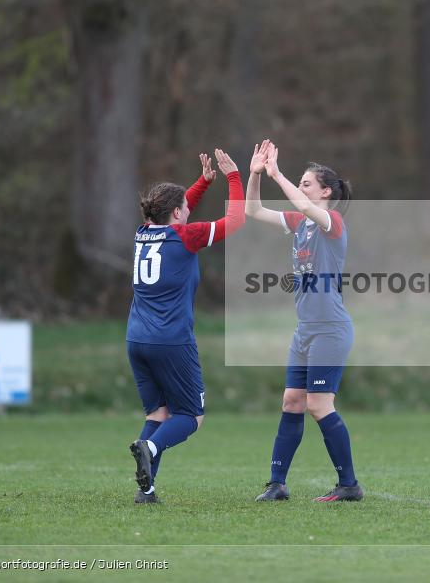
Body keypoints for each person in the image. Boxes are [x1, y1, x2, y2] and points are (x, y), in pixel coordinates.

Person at [244, 140, 362, 502]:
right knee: (293, 401)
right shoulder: (300, 225)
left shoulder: (331, 222)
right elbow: (252, 210)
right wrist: (255, 174)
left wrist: (278, 173)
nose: (302, 186)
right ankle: (277, 484)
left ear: (325, 191)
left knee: (318, 404)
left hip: (331, 330)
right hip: (305, 331)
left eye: (307, 182)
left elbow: (305, 205)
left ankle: (349, 486)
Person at [126, 149, 244, 504]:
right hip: (171, 340)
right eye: (185, 209)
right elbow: (235, 221)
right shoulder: (186, 236)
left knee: (157, 414)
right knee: (191, 416)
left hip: (136, 338)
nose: (189, 210)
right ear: (177, 214)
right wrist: (233, 178)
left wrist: (202, 183)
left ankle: (146, 491)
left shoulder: (142, 232)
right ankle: (149, 445)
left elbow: (172, 210)